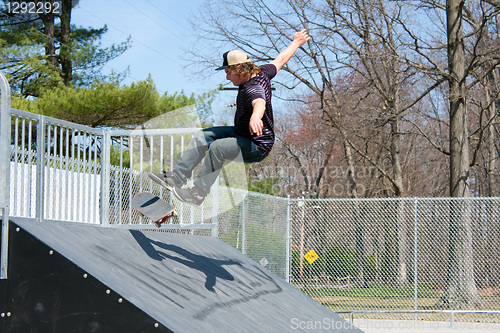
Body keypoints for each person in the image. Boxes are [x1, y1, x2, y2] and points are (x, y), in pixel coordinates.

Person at [149, 29, 310, 205]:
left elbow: (259, 102)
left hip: (257, 146)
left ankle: (197, 193)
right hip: (241, 133)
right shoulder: (263, 72)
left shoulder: (252, 88)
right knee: (203, 136)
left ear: (239, 69)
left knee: (218, 148)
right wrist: (295, 42)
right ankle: (177, 177)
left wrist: (256, 117)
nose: (226, 77)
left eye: (228, 72)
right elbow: (280, 60)